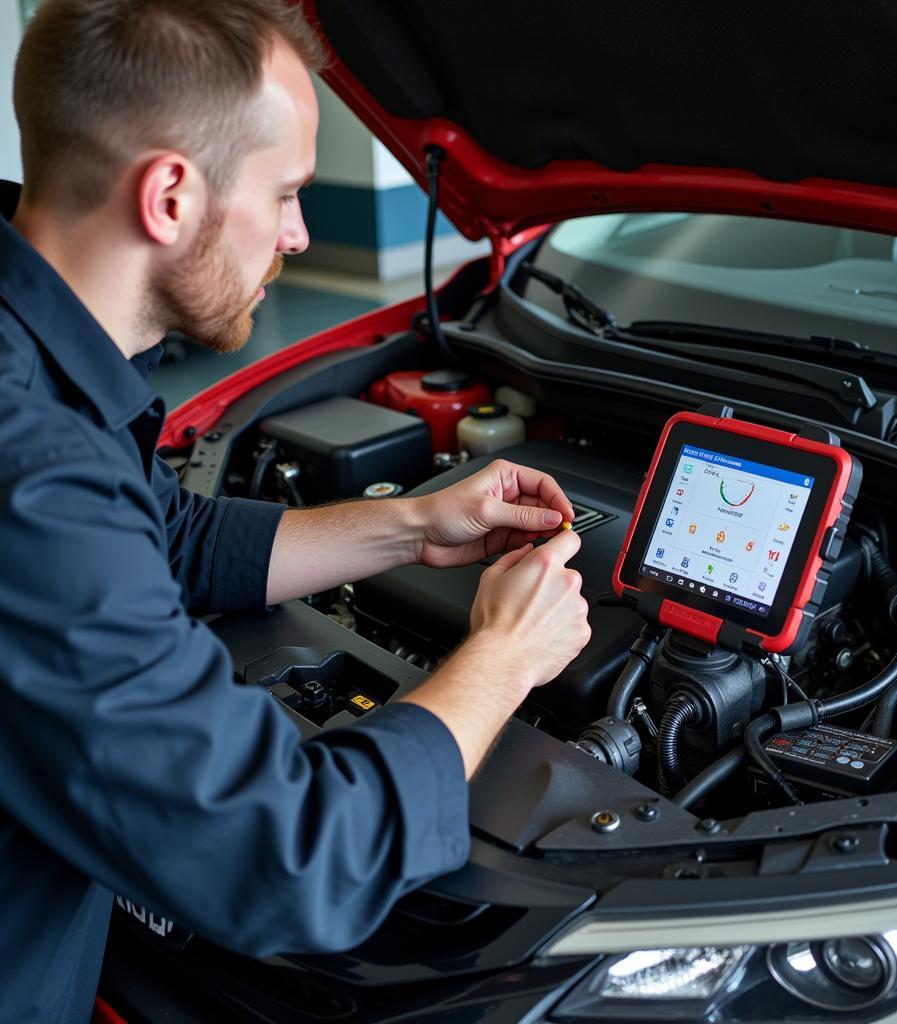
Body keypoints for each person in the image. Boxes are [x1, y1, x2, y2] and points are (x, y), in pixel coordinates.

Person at [0, 1, 591, 1020]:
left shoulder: (35, 370)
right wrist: (505, 655)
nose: (298, 234)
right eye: (285, 193)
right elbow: (291, 859)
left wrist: (413, 522)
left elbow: (159, 535)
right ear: (171, 195)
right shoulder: (31, 468)